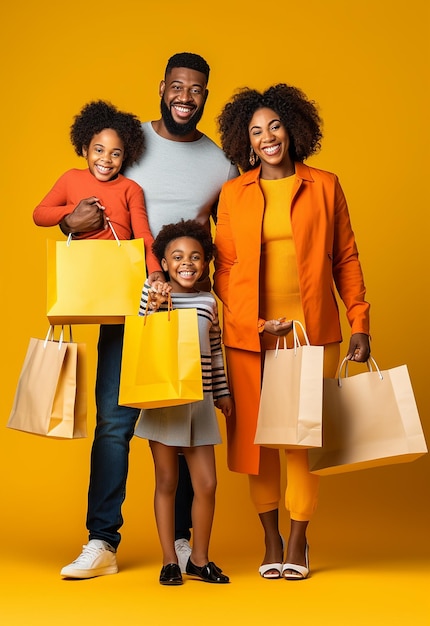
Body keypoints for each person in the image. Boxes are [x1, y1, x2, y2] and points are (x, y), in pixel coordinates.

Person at [55, 53, 238, 578]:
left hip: (185, 313)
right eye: (176, 86)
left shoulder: (220, 162)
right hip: (124, 303)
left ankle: (181, 542)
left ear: (206, 95)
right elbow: (81, 194)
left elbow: (224, 242)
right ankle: (102, 542)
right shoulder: (128, 140)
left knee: (180, 425)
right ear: (161, 87)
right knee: (114, 424)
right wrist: (70, 221)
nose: (185, 96)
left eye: (197, 89)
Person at [214, 84, 370, 580]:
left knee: (303, 440)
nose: (267, 138)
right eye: (256, 131)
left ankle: (299, 541)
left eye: (274, 126)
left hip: (313, 331)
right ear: (246, 141)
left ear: (293, 127)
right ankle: (271, 539)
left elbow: (345, 257)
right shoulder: (233, 193)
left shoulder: (324, 185)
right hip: (250, 335)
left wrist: (359, 320)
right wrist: (255, 323)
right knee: (258, 443)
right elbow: (224, 268)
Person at [135, 219, 232, 585]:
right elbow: (145, 337)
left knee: (206, 483)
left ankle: (199, 559)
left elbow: (216, 351)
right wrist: (157, 303)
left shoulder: (209, 301)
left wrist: (222, 393)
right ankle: (169, 561)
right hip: (164, 399)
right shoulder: (152, 290)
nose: (186, 263)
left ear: (205, 261)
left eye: (194, 256)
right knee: (167, 481)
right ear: (163, 260)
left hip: (201, 401)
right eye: (176, 257)